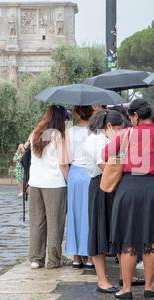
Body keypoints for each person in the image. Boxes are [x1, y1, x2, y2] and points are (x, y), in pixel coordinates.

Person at [102, 99, 154, 300]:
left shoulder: (126, 134)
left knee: (128, 239)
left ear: (134, 116)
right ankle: (150, 287)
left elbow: (105, 154)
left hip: (129, 188)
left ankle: (126, 289)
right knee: (151, 238)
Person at [84, 110, 124, 293]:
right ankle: (102, 280)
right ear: (108, 126)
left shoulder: (107, 140)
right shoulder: (96, 140)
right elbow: (104, 166)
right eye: (117, 128)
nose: (119, 132)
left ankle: (125, 275)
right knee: (100, 232)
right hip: (100, 187)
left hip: (112, 186)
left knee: (118, 231)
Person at [28, 105, 70, 270]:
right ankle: (53, 260)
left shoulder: (35, 133)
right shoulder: (58, 136)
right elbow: (63, 163)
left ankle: (36, 259)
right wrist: (69, 181)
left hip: (35, 183)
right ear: (60, 119)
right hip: (54, 184)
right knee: (55, 223)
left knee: (37, 222)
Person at [65, 106, 94, 269]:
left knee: (74, 214)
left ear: (76, 113)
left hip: (74, 173)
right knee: (89, 214)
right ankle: (90, 257)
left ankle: (76, 257)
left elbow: (67, 156)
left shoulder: (70, 132)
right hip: (90, 172)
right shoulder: (95, 132)